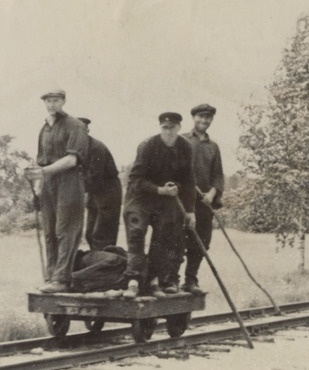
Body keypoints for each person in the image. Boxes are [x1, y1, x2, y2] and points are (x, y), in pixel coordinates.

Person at [121, 112, 196, 299]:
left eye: (172, 128)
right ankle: (133, 281)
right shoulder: (147, 146)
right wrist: (159, 189)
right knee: (137, 232)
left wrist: (190, 211)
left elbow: (188, 181)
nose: (168, 132)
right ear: (160, 128)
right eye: (165, 128)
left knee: (164, 235)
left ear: (179, 128)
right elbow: (135, 180)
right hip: (139, 198)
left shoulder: (185, 147)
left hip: (165, 200)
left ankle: (153, 281)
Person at [25, 89, 89, 293]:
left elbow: (72, 159)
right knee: (50, 231)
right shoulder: (44, 129)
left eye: (55, 100)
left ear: (63, 101)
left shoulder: (75, 126)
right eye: (48, 101)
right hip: (48, 183)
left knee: (65, 230)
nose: (52, 104)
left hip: (69, 182)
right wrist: (37, 186)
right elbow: (40, 159)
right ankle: (51, 276)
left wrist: (41, 172)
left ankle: (61, 279)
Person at [182, 103, 224, 295]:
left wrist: (212, 194)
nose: (204, 121)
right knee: (177, 239)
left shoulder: (213, 147)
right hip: (182, 201)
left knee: (201, 242)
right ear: (194, 118)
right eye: (200, 117)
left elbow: (218, 175)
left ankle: (191, 280)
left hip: (204, 202)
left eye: (208, 118)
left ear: (211, 120)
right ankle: (171, 280)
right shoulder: (182, 141)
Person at [78, 118, 122, 251]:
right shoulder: (78, 148)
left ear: (87, 131)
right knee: (90, 235)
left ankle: (105, 269)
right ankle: (97, 266)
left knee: (102, 236)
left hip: (107, 192)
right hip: (93, 194)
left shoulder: (96, 147)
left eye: (81, 131)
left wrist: (74, 189)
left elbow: (94, 178)